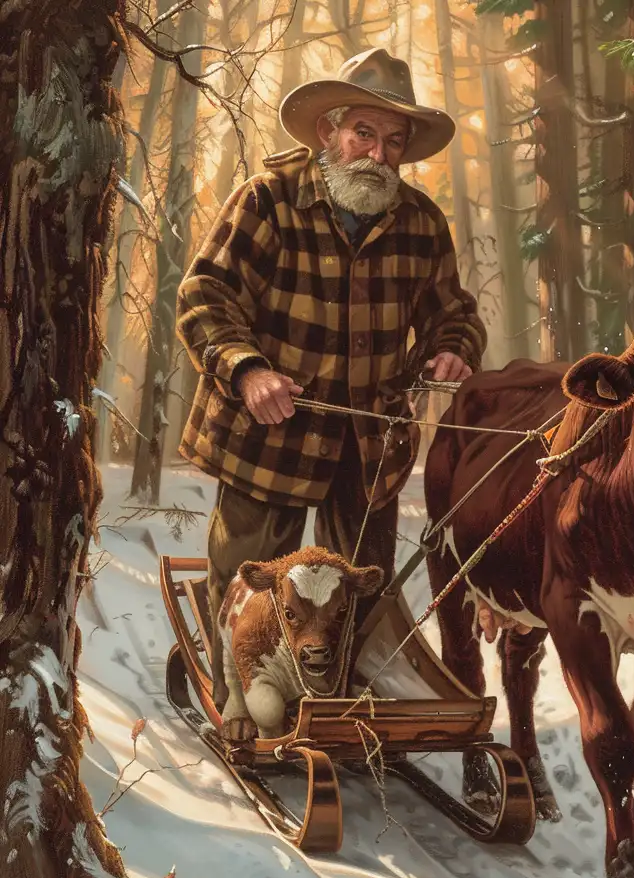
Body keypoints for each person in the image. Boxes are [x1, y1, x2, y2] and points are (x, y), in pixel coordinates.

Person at [175, 47, 486, 716]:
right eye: (364, 134)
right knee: (253, 578)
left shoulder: (422, 224)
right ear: (329, 133)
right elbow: (204, 295)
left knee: (356, 590)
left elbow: (454, 315)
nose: (378, 154)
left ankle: (331, 701)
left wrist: (454, 351)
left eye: (394, 142)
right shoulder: (268, 200)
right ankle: (242, 700)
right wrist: (248, 368)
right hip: (270, 432)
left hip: (370, 445)